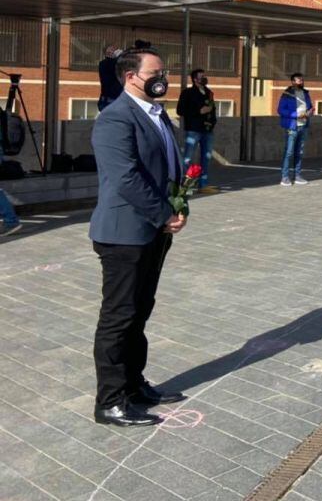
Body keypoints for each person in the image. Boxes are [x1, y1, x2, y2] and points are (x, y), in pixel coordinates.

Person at [89, 46, 186, 426]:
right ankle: (110, 401)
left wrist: (178, 208)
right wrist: (165, 213)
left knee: (140, 310)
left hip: (154, 230)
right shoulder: (115, 118)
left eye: (165, 72)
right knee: (119, 316)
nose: (164, 78)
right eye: (156, 72)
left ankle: (133, 384)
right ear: (131, 76)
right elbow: (126, 176)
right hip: (124, 233)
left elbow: (168, 168)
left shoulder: (159, 116)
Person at [176, 68, 217, 194]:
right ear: (195, 79)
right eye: (201, 76)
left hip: (207, 130)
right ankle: (184, 185)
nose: (204, 78)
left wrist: (213, 122)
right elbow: (180, 110)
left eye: (205, 76)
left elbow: (212, 109)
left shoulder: (209, 92)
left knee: (206, 157)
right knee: (188, 158)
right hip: (194, 129)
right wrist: (198, 111)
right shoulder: (187, 93)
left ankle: (203, 184)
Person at [277, 73, 313, 187]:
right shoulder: (287, 94)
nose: (301, 82)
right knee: (289, 152)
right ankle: (285, 177)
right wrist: (295, 115)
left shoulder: (305, 93)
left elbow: (310, 106)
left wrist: (310, 112)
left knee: (300, 152)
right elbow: (280, 110)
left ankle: (297, 175)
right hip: (292, 126)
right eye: (298, 80)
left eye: (302, 80)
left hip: (303, 126)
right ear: (292, 81)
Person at [97, 44, 124, 112]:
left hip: (118, 100)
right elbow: (112, 66)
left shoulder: (118, 63)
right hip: (107, 102)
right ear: (106, 53)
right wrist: (119, 57)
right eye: (110, 50)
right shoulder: (103, 64)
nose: (113, 52)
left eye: (114, 50)